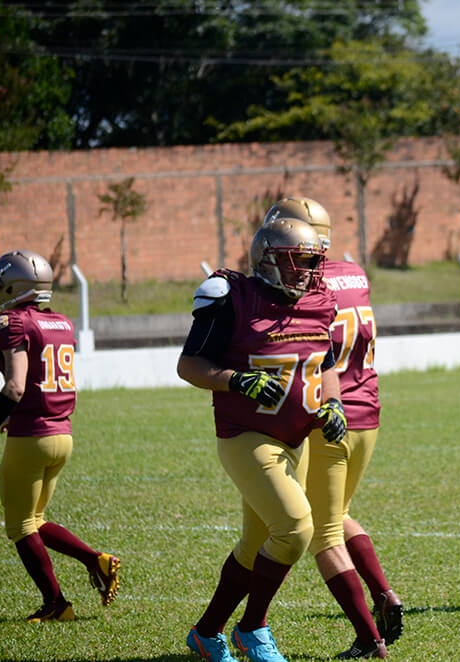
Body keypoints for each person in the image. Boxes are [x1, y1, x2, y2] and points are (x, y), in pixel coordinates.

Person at [178, 214, 347, 662]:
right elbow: (190, 366)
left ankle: (207, 631)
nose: (307, 271)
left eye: (313, 262)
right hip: (246, 435)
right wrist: (237, 380)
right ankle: (253, 628)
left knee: (256, 546)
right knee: (295, 529)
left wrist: (333, 404)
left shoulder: (319, 301)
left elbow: (324, 365)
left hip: (296, 440)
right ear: (268, 260)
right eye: (297, 261)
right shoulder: (231, 297)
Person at [268, 198, 401, 659]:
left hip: (330, 412)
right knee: (336, 513)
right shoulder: (355, 273)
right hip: (369, 411)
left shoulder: (305, 282)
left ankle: (369, 636)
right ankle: (384, 592)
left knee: (322, 534)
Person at [0, 249, 121, 622]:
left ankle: (56, 603)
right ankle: (96, 560)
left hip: (30, 436)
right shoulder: (61, 322)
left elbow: (15, 386)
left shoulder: (12, 321)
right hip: (62, 434)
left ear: (17, 286)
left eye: (2, 282)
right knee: (35, 519)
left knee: (19, 525)